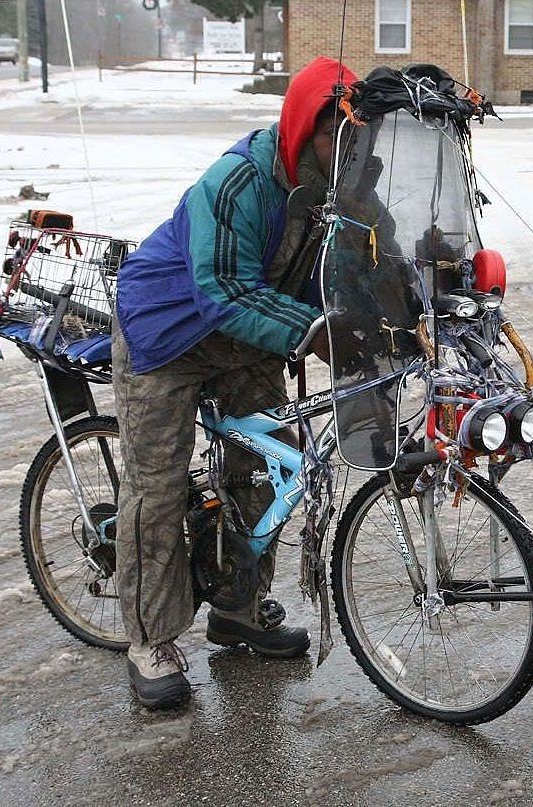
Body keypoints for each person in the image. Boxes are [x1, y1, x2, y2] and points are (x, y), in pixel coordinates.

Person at [112, 57, 357, 710]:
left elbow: (353, 268)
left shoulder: (333, 194)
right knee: (157, 487)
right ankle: (150, 639)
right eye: (334, 134)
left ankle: (238, 606)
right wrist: (314, 331)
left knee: (270, 463)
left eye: (354, 137)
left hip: (247, 335)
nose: (344, 150)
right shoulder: (240, 181)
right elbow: (223, 290)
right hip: (166, 332)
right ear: (303, 129)